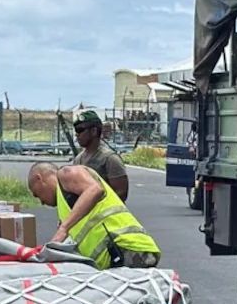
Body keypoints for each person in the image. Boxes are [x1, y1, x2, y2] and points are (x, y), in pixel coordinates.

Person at [26, 162, 160, 269]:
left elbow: (95, 189)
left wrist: (64, 228)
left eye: (37, 194)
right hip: (114, 260)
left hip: (127, 248)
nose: (41, 201)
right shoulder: (65, 206)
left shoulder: (66, 174)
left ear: (39, 178)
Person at [71, 110, 129, 202]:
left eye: (80, 130)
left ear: (94, 131)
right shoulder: (78, 159)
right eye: (76, 130)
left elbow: (121, 193)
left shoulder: (110, 159)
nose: (77, 134)